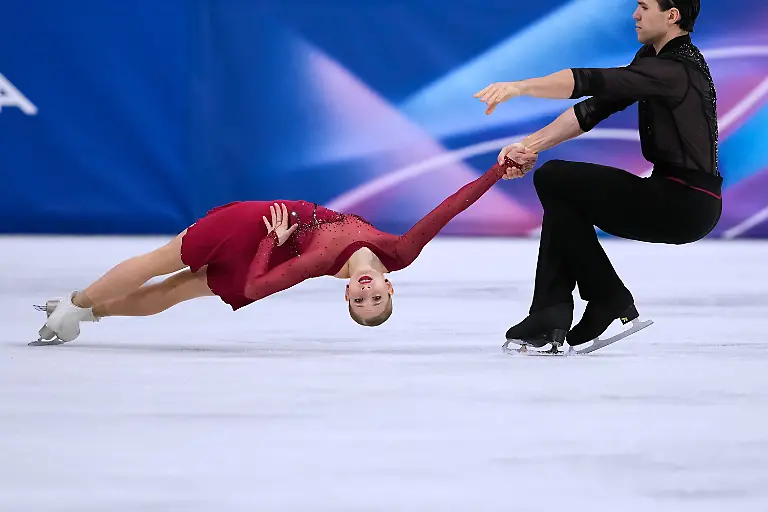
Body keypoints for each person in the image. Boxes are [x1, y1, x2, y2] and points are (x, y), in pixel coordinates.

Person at [33, 158, 528, 345]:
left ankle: (80, 311)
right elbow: (447, 209)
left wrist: (274, 238)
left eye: (360, 303)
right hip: (259, 225)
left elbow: (253, 286)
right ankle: (78, 309)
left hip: (267, 233)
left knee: (171, 290)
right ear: (387, 284)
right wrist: (495, 172)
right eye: (375, 297)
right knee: (164, 268)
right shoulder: (400, 251)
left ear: (348, 299)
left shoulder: (317, 263)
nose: (365, 293)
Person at [473, 0, 720, 354]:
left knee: (557, 178)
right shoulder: (652, 61)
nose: (635, 14)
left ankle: (603, 297)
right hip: (675, 193)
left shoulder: (676, 69)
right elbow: (593, 108)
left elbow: (589, 80)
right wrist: (527, 146)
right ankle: (551, 312)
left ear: (672, 15)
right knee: (561, 193)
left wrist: (519, 87)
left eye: (644, 6)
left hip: (686, 202)